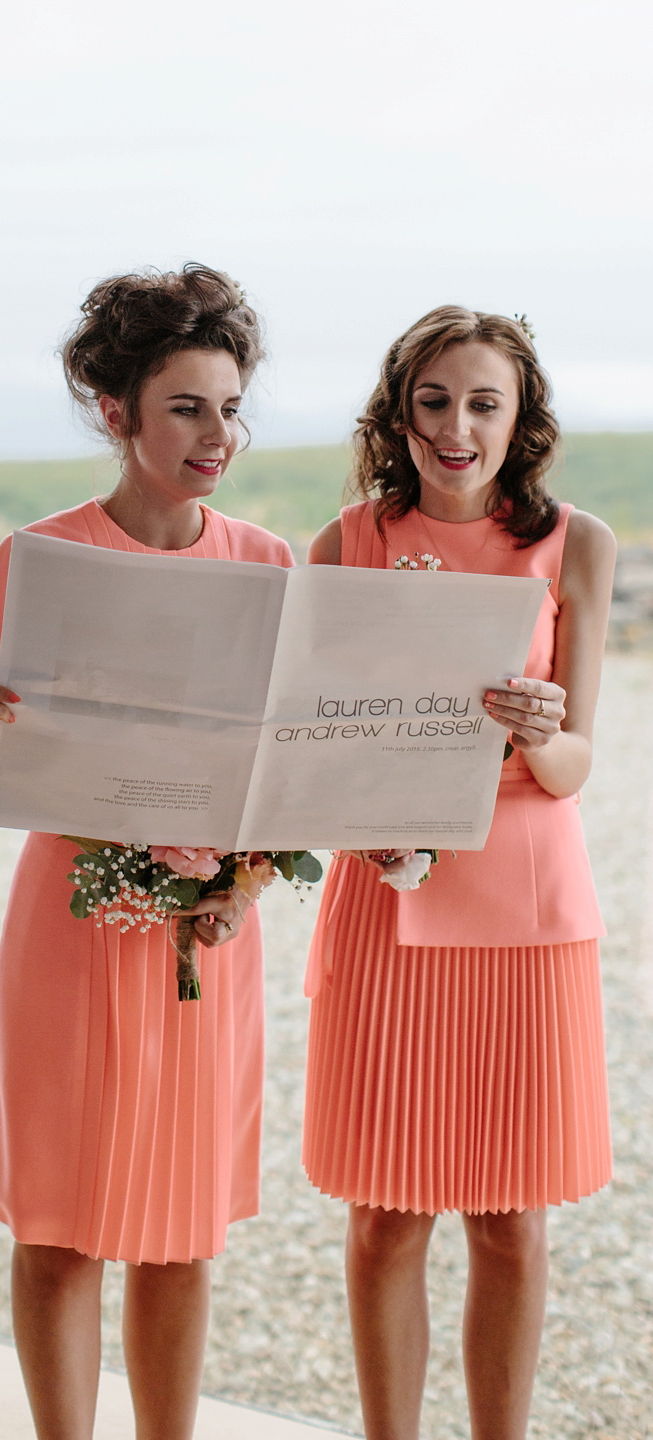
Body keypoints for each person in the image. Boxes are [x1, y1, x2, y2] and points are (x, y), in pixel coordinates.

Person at [0, 264, 294, 1440]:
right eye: (188, 407)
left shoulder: (266, 565)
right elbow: (2, 777)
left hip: (211, 930)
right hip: (71, 925)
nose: (217, 435)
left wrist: (240, 887)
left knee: (181, 1230)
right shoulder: (39, 557)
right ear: (116, 411)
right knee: (59, 1226)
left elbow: (280, 774)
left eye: (231, 407)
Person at [302, 307, 615, 1440]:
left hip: (528, 912)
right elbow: (309, 745)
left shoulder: (576, 542)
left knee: (509, 1222)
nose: (457, 425)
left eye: (484, 401)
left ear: (521, 415)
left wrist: (538, 731)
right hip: (389, 910)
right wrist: (358, 823)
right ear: (400, 412)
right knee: (384, 1218)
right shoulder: (346, 544)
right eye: (435, 400)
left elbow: (577, 765)